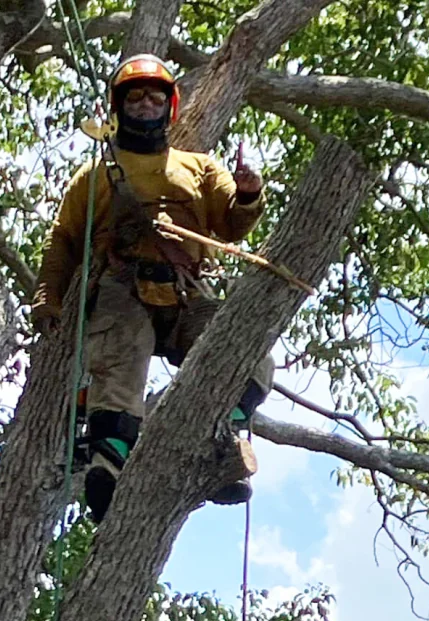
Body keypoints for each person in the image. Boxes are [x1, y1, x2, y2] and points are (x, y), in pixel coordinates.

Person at [31, 54, 274, 524]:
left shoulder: (200, 166)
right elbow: (63, 240)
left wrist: (247, 194)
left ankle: (221, 433)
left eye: (154, 96)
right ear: (119, 107)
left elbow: (232, 224)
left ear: (171, 106)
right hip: (122, 284)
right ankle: (109, 459)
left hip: (186, 288)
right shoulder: (95, 175)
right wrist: (48, 296)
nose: (145, 104)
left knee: (248, 353)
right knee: (121, 355)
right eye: (135, 96)